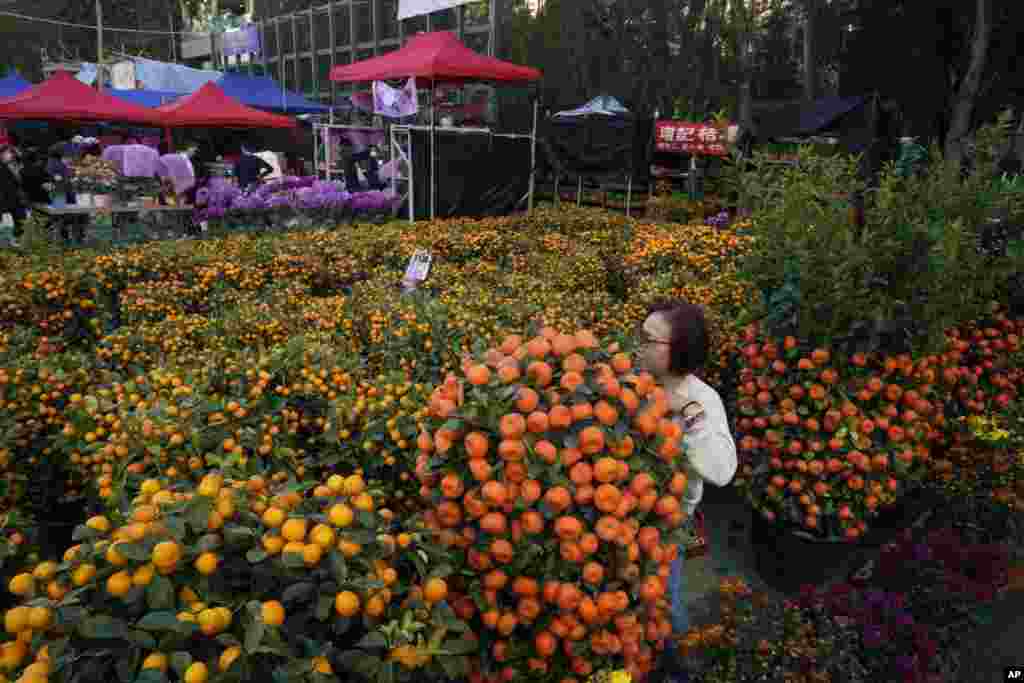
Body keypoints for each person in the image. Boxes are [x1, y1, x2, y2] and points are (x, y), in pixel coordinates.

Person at [637, 301, 737, 677]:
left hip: (667, 525)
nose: (639, 347)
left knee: (666, 604)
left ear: (678, 350)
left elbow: (722, 470)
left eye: (649, 340)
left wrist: (689, 412)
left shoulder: (702, 400)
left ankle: (678, 667)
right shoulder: (634, 381)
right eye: (641, 336)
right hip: (622, 516)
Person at [0, 144, 28, 248]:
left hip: (14, 199)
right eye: (8, 153)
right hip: (8, 200)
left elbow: (18, 181)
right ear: (2, 154)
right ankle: (12, 243)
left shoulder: (11, 165)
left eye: (11, 153)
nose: (10, 155)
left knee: (20, 221)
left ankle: (16, 242)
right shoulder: (3, 167)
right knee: (15, 222)